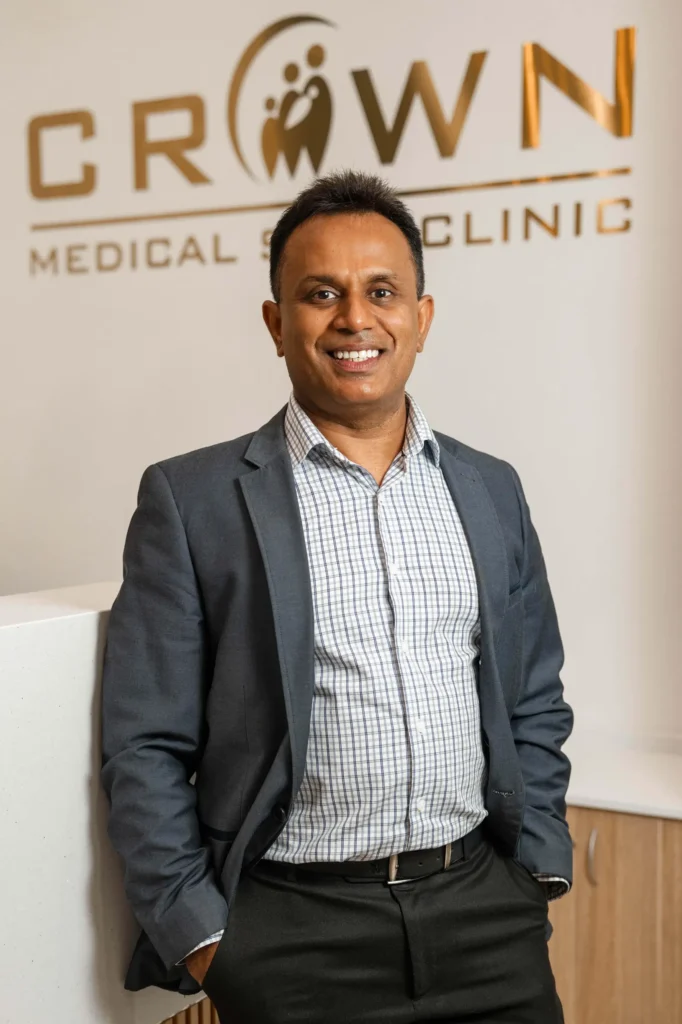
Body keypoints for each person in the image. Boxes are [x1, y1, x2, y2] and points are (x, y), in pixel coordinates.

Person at [101, 169, 573, 1023]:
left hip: (485, 919)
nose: (355, 319)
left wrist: (536, 864)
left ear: (421, 318)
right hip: (291, 938)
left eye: (382, 291)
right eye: (321, 294)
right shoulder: (192, 500)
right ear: (277, 324)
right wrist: (206, 938)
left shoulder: (490, 489)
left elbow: (534, 694)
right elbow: (144, 745)